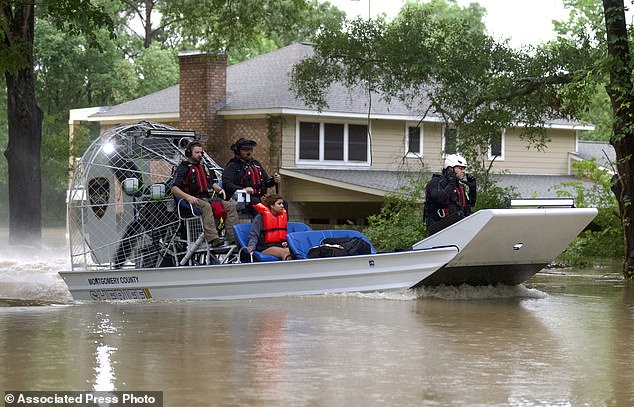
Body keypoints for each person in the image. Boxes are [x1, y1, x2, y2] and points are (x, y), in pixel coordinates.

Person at [171, 141, 239, 247]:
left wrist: (219, 189)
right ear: (189, 153)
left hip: (207, 197)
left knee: (230, 206)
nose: (200, 155)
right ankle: (213, 239)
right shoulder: (183, 168)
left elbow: (211, 182)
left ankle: (233, 238)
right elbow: (174, 188)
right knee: (206, 207)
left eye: (201, 153)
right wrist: (188, 197)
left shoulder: (205, 167)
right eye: (197, 152)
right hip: (193, 200)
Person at [222, 138, 281, 217]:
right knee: (257, 204)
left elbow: (266, 183)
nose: (248, 152)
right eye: (244, 150)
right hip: (245, 198)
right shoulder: (232, 166)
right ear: (237, 151)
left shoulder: (256, 164)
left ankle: (281, 227)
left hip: (261, 196)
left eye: (250, 149)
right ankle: (260, 228)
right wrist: (243, 190)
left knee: (281, 204)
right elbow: (227, 184)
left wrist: (273, 180)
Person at [424, 154, 477, 236]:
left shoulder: (459, 186)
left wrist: (472, 188)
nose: (463, 171)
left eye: (464, 169)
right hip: (438, 228)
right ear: (450, 169)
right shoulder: (436, 182)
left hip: (456, 228)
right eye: (460, 168)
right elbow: (441, 198)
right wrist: (451, 183)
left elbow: (470, 205)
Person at [247, 194, 292, 260]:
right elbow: (254, 234)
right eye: (279, 204)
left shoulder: (282, 217)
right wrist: (251, 246)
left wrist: (286, 243)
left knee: (295, 251)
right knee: (286, 252)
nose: (282, 206)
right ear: (272, 205)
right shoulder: (260, 217)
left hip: (279, 245)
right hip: (265, 247)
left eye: (282, 203)